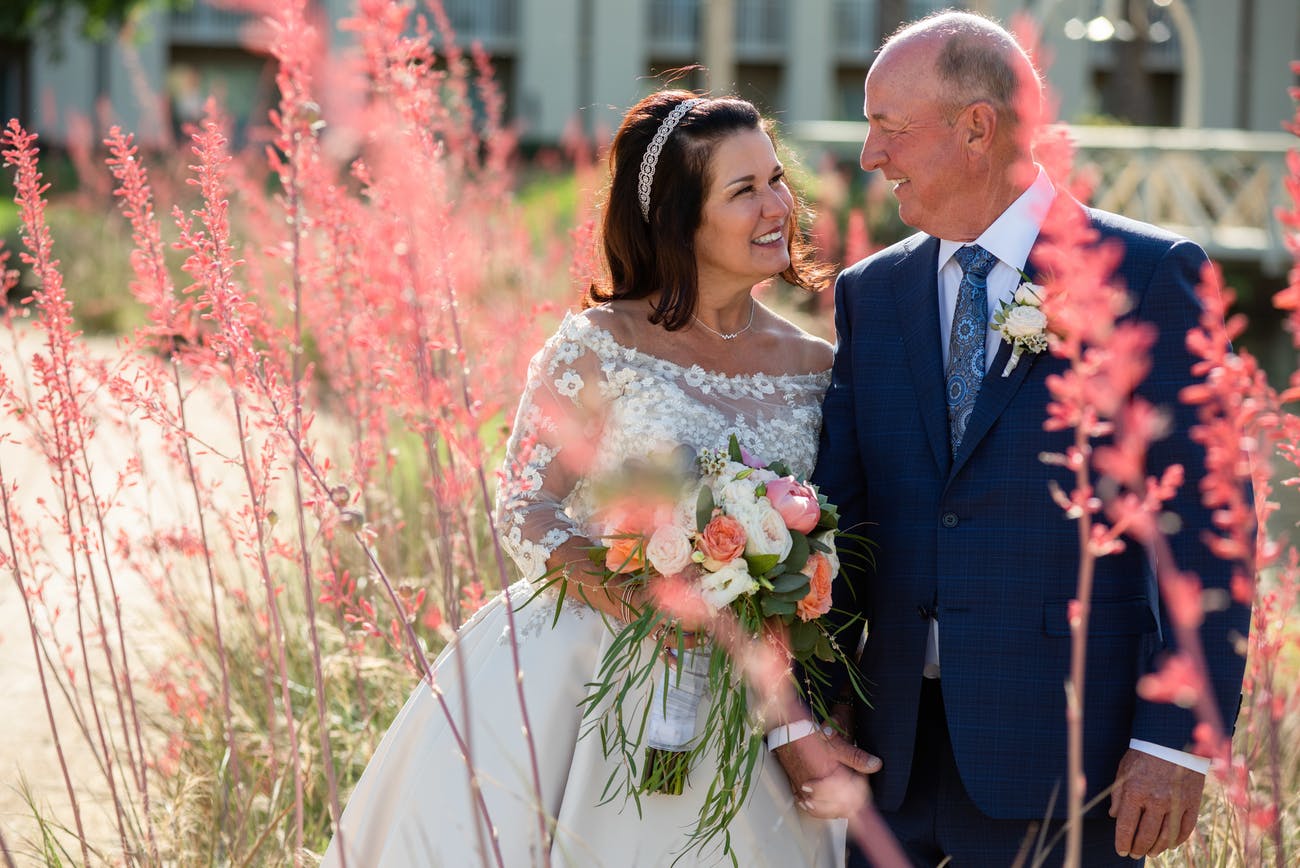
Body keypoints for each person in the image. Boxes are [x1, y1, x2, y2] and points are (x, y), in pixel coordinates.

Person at [321, 90, 874, 867]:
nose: (778, 205)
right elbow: (526, 507)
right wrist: (648, 600)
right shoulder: (599, 345)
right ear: (679, 220)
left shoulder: (817, 365)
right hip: (585, 665)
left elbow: (832, 534)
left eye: (777, 179)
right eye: (743, 191)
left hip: (755, 695)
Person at [781, 11, 1251, 867]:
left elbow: (1210, 530)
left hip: (1073, 763)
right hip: (887, 765)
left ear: (976, 128)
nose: (868, 157)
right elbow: (841, 524)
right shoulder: (870, 294)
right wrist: (813, 708)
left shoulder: (1147, 278)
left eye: (888, 127)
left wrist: (1176, 740)